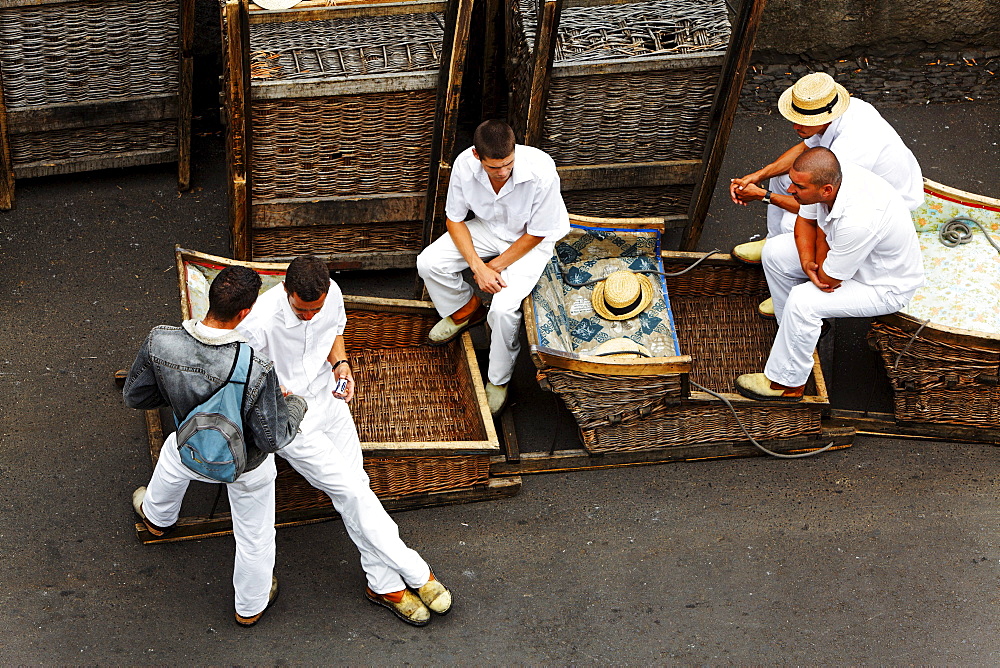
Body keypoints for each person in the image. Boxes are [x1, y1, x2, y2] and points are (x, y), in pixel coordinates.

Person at [237, 255, 453, 627]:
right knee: (353, 493)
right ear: (285, 292)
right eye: (302, 311)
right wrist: (277, 389)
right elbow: (247, 375)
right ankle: (418, 572)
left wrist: (341, 366)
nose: (309, 316)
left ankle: (383, 584)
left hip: (330, 400)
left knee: (358, 490)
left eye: (315, 309)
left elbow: (335, 332)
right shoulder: (259, 321)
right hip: (291, 419)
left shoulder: (331, 294)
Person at [124, 266, 307, 627]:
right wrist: (297, 404)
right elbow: (274, 438)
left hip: (189, 441)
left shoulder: (161, 340)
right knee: (255, 535)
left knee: (172, 459)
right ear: (244, 312)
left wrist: (182, 398)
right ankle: (249, 607)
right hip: (245, 468)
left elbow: (136, 395)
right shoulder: (256, 366)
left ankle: (157, 519)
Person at [734, 147, 923, 402]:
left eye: (798, 187)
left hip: (881, 284)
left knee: (803, 301)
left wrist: (817, 257)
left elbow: (827, 279)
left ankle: (786, 383)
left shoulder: (858, 221)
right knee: (775, 251)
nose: (790, 190)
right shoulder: (830, 177)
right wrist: (807, 261)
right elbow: (805, 221)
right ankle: (794, 333)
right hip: (845, 256)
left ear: (826, 191)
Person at [729, 72, 923, 316]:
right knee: (782, 179)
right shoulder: (841, 112)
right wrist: (759, 175)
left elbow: (813, 202)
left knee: (792, 225)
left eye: (802, 121)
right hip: (846, 190)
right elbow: (806, 148)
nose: (795, 126)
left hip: (881, 206)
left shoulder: (853, 148)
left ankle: (795, 283)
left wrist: (763, 196)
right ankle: (774, 243)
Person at [416, 119, 570, 414]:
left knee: (502, 309)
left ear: (515, 151)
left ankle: (498, 379)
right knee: (429, 263)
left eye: (508, 164)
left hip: (532, 240)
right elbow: (455, 220)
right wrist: (478, 267)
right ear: (477, 156)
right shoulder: (464, 164)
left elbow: (537, 233)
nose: (502, 172)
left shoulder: (542, 170)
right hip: (490, 228)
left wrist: (494, 267)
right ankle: (465, 310)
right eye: (493, 167)